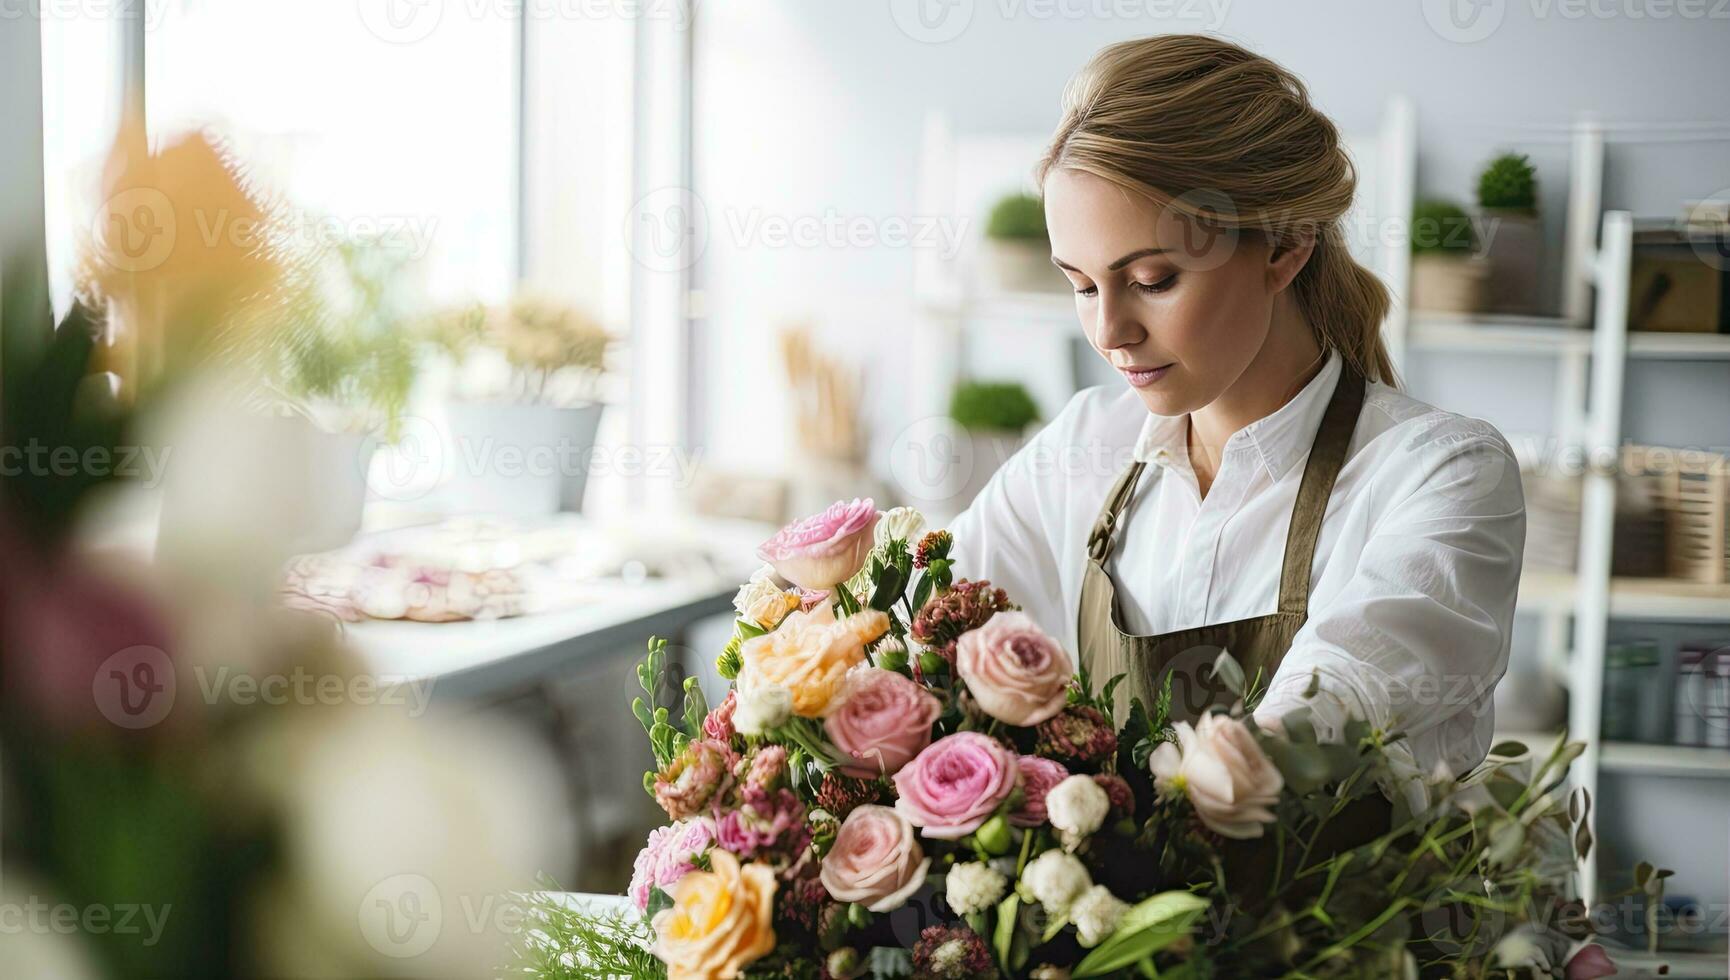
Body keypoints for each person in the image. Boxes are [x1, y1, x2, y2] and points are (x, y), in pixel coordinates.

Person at [949, 35, 1525, 784]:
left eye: (1153, 280)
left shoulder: (1441, 475)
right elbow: (933, 625)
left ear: (1285, 247)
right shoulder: (1083, 447)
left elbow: (1330, 704)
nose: (1109, 331)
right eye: (1084, 286)